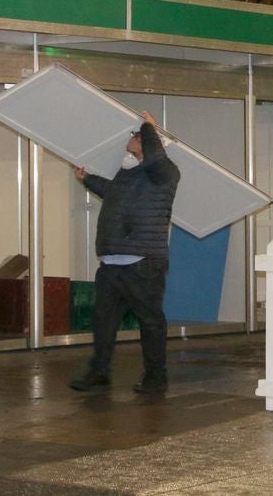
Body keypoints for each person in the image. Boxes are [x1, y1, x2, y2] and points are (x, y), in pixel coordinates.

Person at [69, 111, 180, 394]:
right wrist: (87, 179)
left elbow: (154, 158)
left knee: (150, 320)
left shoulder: (165, 171)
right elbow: (114, 192)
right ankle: (99, 372)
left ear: (152, 142)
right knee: (104, 320)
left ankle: (156, 376)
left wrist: (149, 126)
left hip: (143, 263)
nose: (130, 138)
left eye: (137, 136)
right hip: (112, 261)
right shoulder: (128, 172)